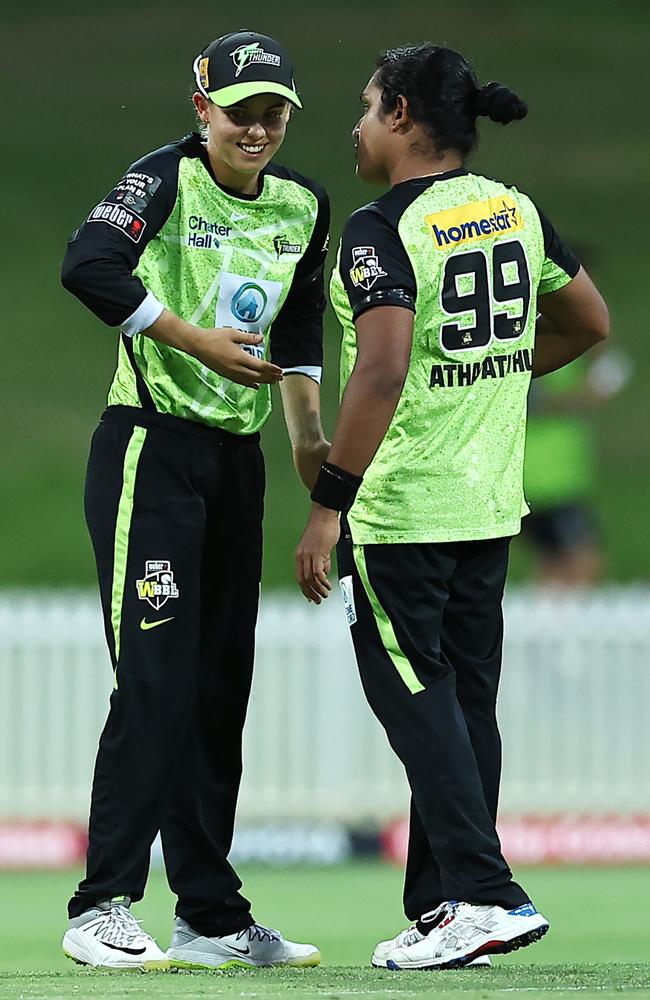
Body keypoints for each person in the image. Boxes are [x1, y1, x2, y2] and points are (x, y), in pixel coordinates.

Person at [296, 44, 608, 970]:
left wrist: (326, 507)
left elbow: (383, 369)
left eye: (363, 106)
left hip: (402, 510)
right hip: (489, 501)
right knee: (467, 703)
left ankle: (485, 892)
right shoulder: (515, 208)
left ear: (399, 114)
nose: (354, 126)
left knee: (411, 696)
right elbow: (589, 324)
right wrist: (497, 378)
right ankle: (443, 909)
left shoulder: (377, 226)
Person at [60, 29, 329, 972]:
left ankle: (209, 915)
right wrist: (187, 339)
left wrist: (305, 442)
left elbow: (297, 323)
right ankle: (101, 906)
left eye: (274, 112)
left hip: (236, 463)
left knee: (218, 691)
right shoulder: (163, 180)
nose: (257, 129)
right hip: (149, 447)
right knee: (157, 679)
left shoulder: (304, 203)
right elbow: (88, 265)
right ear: (201, 108)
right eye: (240, 110)